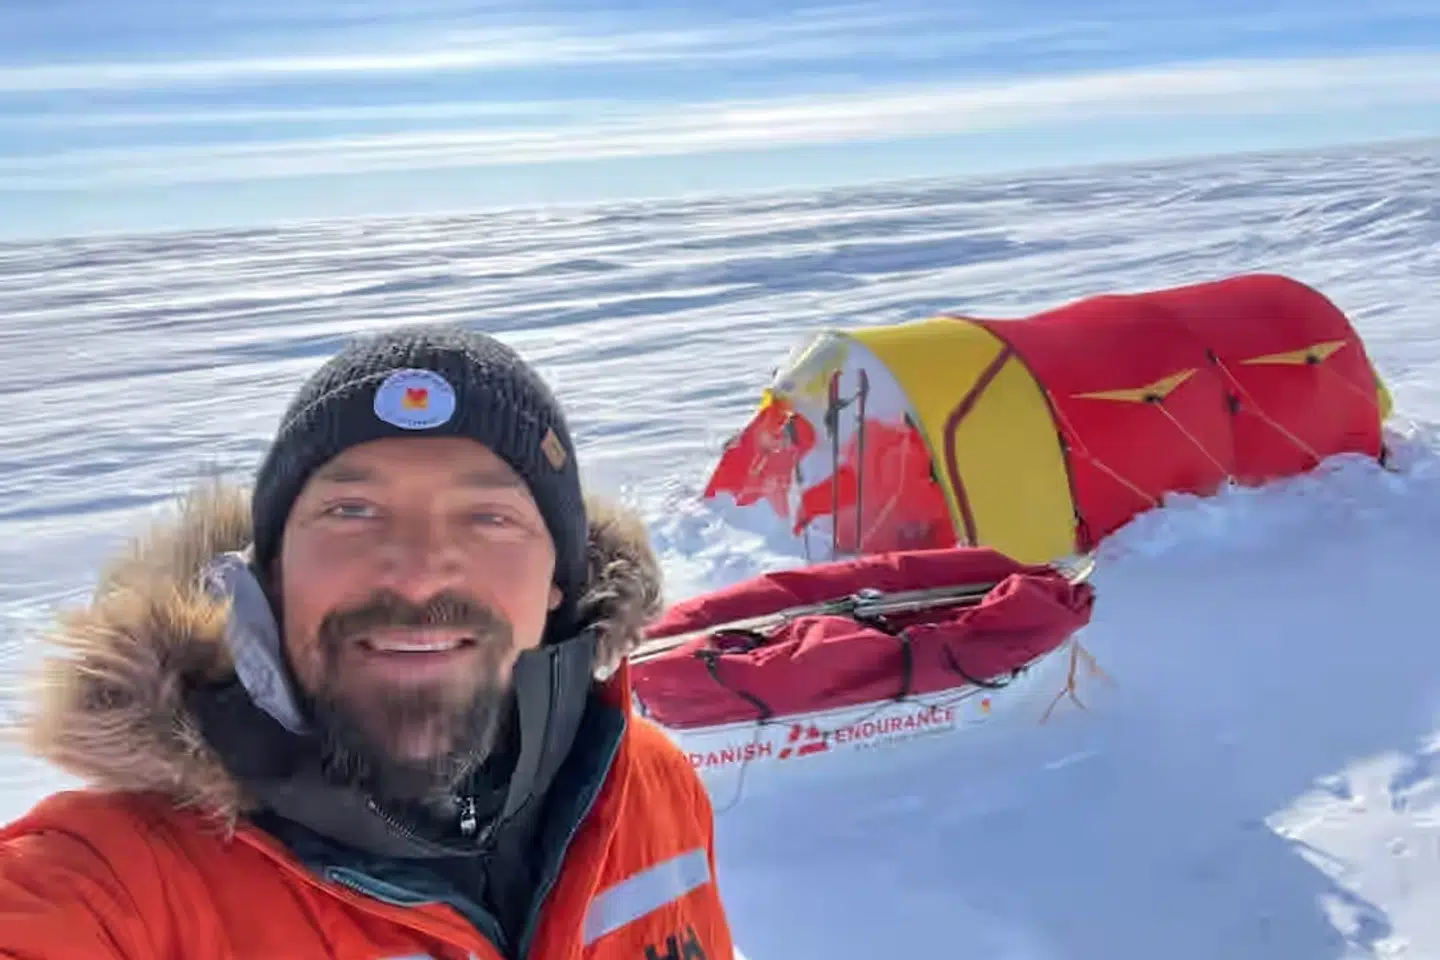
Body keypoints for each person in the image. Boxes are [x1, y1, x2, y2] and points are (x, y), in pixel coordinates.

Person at [0, 326, 736, 960]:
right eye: (352, 510)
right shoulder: (115, 884)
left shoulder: (646, 782)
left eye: (489, 517)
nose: (416, 575)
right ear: (273, 572)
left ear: (558, 581)